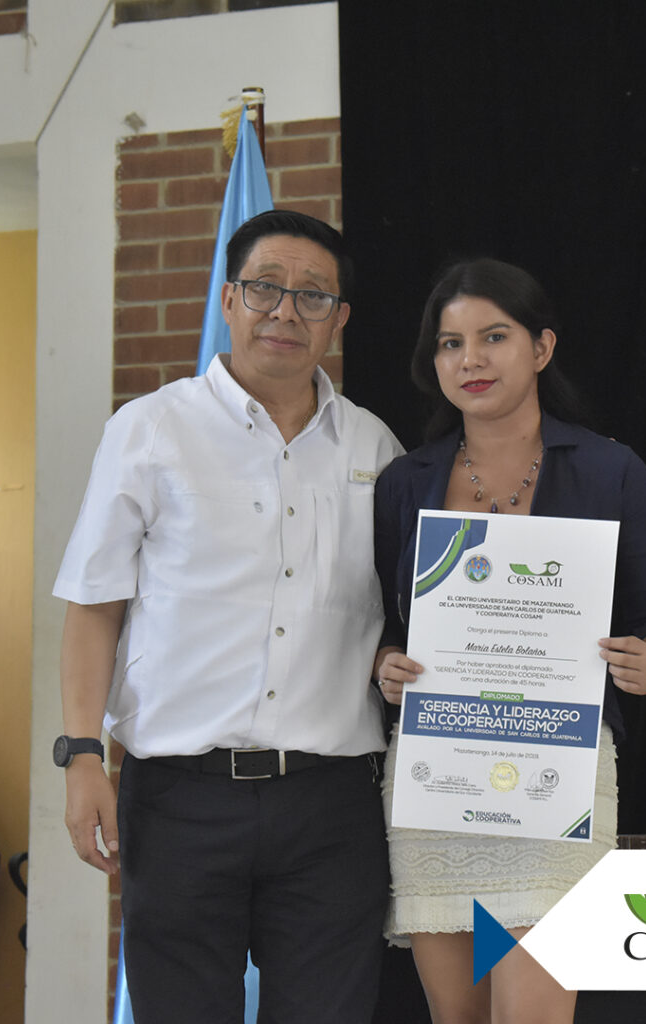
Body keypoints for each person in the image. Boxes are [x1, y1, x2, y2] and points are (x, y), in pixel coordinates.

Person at [53, 210, 403, 1024]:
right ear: (228, 299)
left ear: (340, 319)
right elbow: (94, 606)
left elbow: (398, 615)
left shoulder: (375, 449)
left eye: (313, 296)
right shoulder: (150, 429)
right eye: (265, 288)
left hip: (332, 807)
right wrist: (80, 758)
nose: (286, 311)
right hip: (180, 799)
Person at [373, 258, 646, 1024]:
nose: (470, 359)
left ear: (541, 347)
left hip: (558, 776)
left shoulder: (611, 470)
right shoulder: (405, 481)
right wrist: (385, 666)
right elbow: (385, 627)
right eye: (450, 344)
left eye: (494, 336)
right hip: (439, 776)